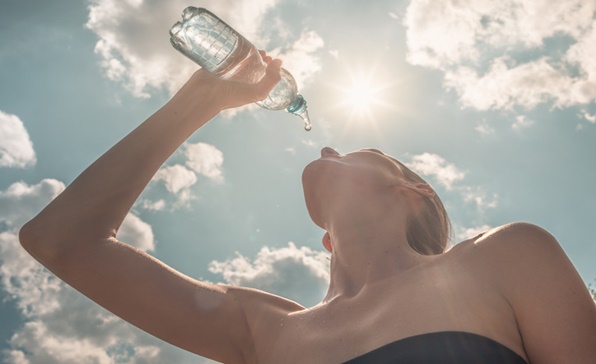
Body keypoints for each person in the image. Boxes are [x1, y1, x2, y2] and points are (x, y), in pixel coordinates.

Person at [19, 52, 596, 364]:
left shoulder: (505, 258)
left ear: (413, 191)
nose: (326, 147)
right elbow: (60, 240)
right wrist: (202, 99)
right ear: (324, 239)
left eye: (357, 153)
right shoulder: (263, 330)